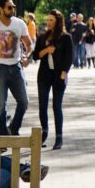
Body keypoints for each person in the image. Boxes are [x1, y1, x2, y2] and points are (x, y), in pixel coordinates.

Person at [0, 0, 33, 136]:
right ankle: (2, 136)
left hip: (16, 67)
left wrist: (27, 56)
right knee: (0, 106)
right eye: (9, 7)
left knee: (24, 102)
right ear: (1, 9)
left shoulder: (19, 24)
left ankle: (14, 129)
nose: (13, 10)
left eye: (13, 7)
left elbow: (29, 43)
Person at [32, 10, 73, 149]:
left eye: (51, 20)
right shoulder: (42, 36)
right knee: (42, 106)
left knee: (56, 106)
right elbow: (36, 55)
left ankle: (59, 137)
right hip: (44, 75)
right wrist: (47, 50)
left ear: (58, 22)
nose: (48, 22)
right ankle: (44, 133)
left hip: (58, 75)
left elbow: (69, 58)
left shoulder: (65, 37)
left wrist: (63, 75)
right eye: (48, 20)